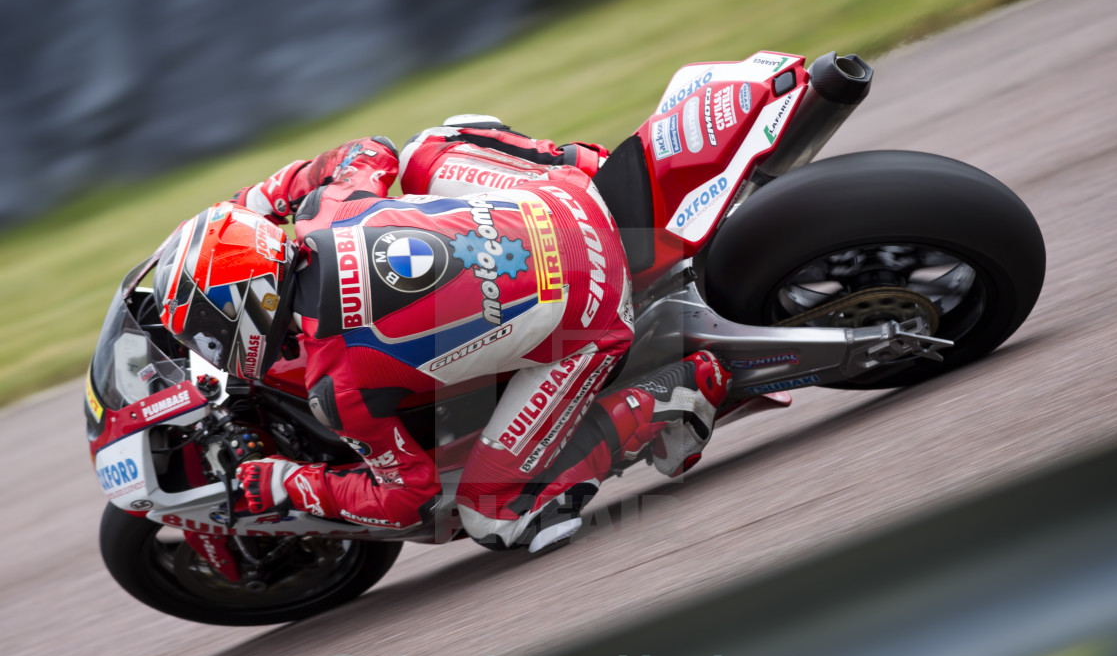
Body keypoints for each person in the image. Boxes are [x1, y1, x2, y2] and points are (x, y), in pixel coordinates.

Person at [152, 116, 729, 554]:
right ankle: (601, 167)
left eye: (207, 333)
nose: (207, 347)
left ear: (248, 312)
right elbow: (368, 150)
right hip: (566, 198)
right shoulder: (327, 206)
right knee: (427, 146)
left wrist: (289, 483)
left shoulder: (339, 387)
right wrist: (251, 205)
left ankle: (679, 394)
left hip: (593, 314)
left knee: (495, 516)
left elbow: (409, 501)